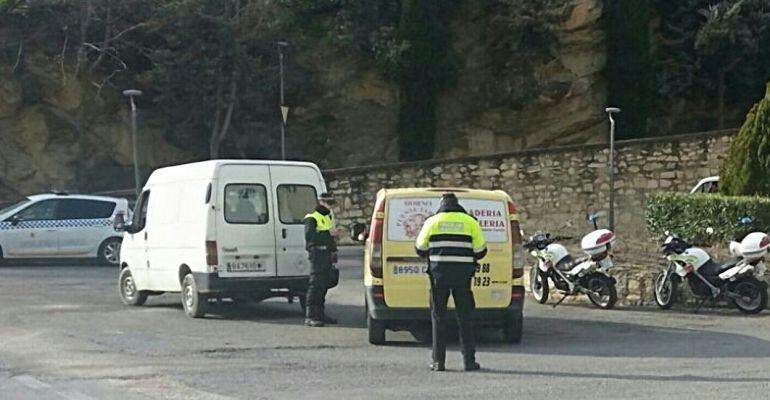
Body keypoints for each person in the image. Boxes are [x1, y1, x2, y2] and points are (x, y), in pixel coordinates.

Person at [415, 193, 487, 372]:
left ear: (441, 204)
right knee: (465, 317)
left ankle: (438, 361)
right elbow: (481, 251)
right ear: (457, 204)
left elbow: (420, 248)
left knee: (438, 317)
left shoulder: (431, 222)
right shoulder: (470, 222)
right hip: (463, 277)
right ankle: (469, 362)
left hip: (438, 276)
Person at [303, 192, 338, 327]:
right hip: (317, 254)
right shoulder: (312, 217)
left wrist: (333, 248)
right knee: (315, 285)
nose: (330, 206)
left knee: (324, 285)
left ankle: (320, 314)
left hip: (327, 253)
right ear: (321, 202)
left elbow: (329, 237)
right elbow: (310, 237)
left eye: (332, 203)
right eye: (328, 203)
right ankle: (310, 316)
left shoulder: (327, 217)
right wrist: (328, 233)